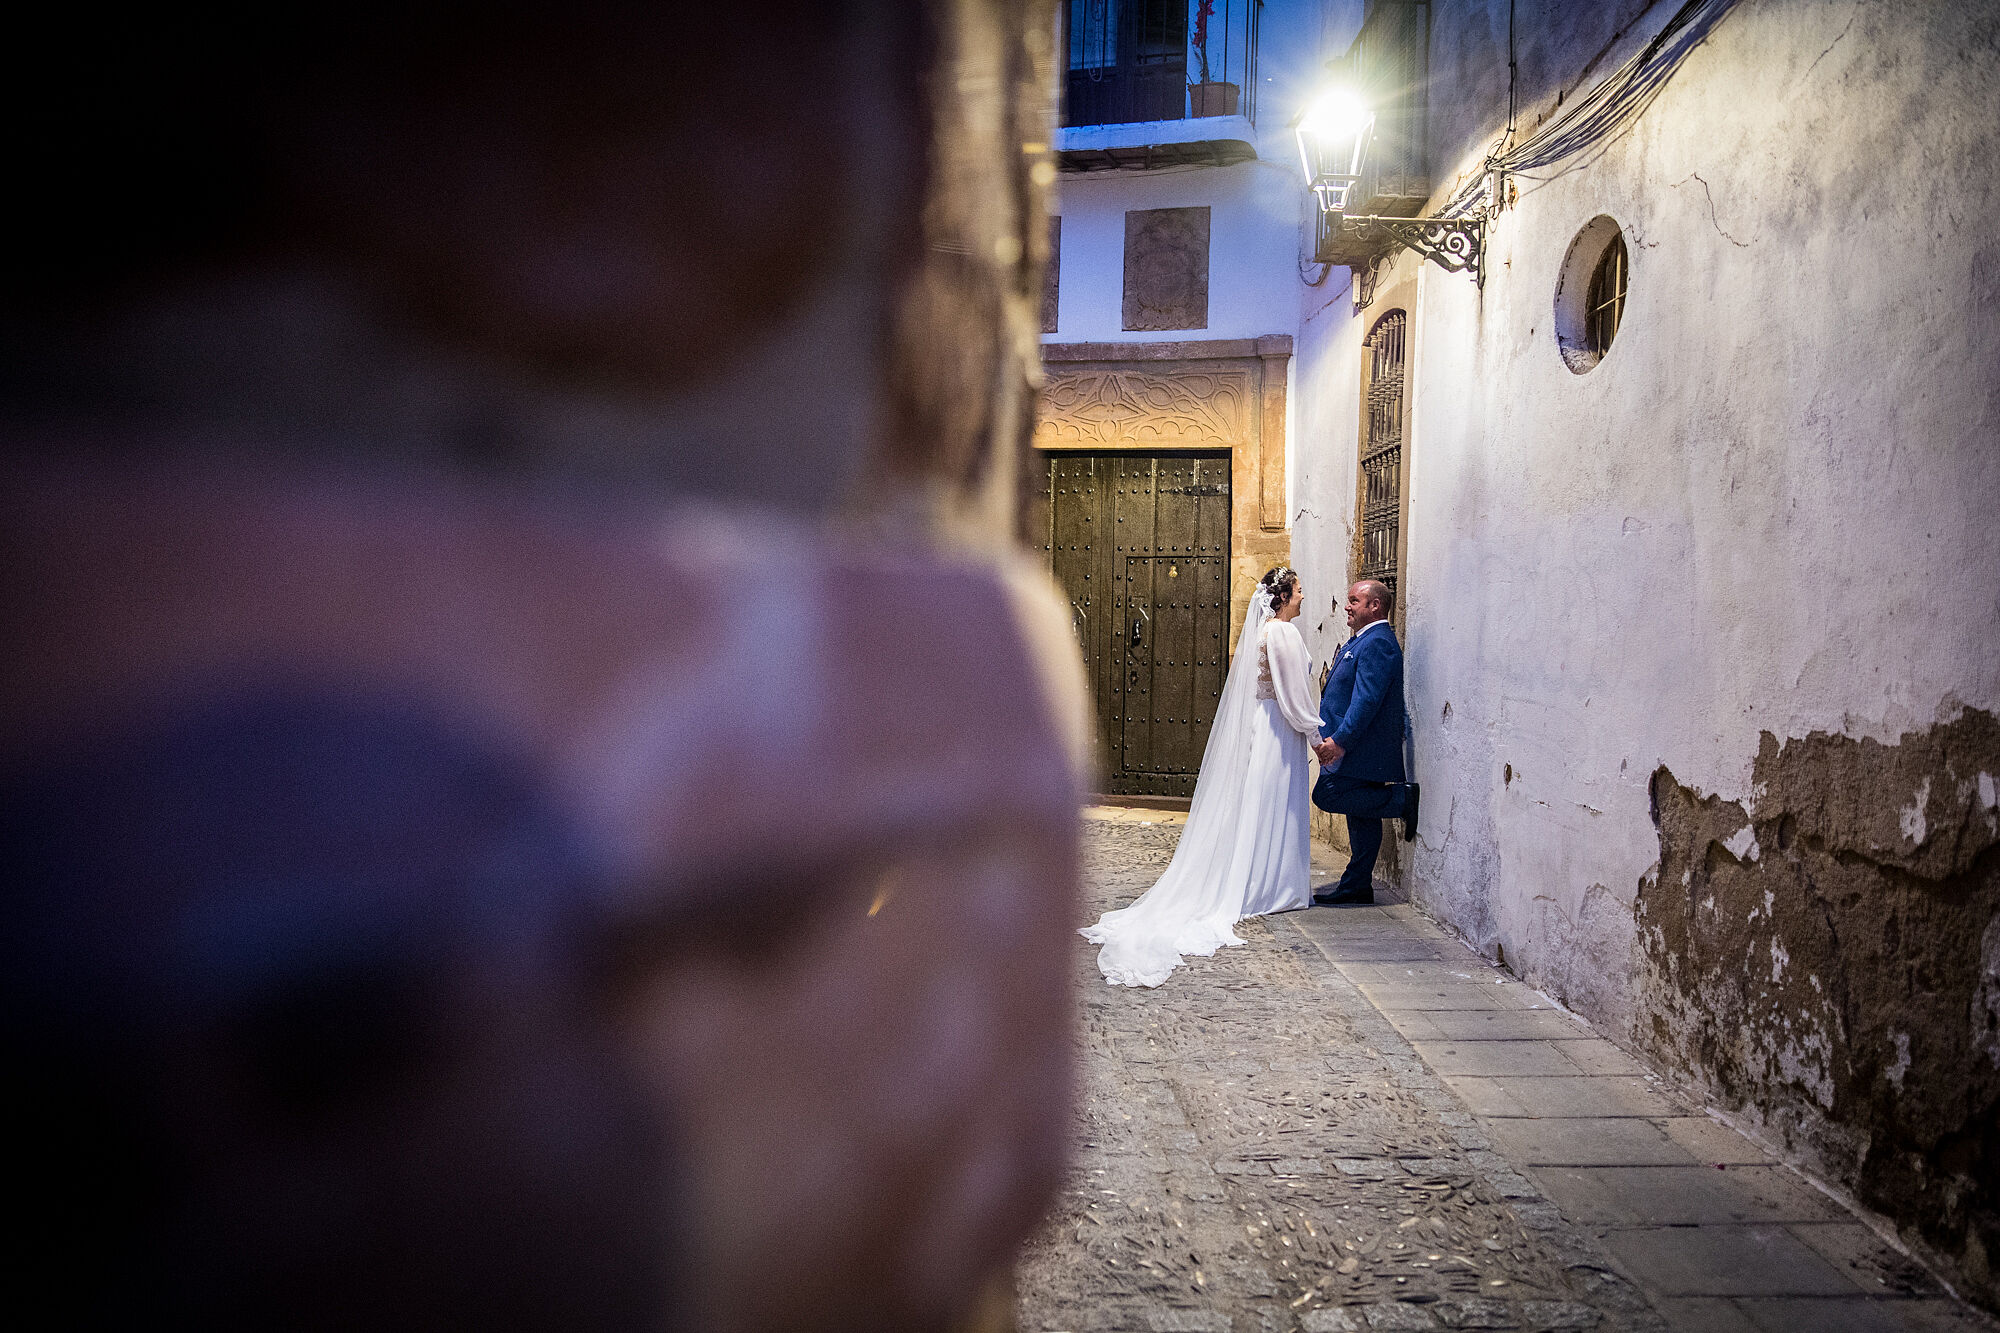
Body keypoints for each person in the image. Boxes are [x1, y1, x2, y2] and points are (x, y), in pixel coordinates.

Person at [1081, 566, 1325, 987]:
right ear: (1283, 596)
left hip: (1263, 726)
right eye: (1300, 591)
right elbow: (1293, 694)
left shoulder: (1264, 632)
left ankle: (1262, 880)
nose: (1304, 597)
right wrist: (1315, 735)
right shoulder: (1283, 633)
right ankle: (1270, 886)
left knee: (1258, 804)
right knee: (1272, 804)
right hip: (1277, 730)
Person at [1311, 580, 1421, 905]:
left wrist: (1341, 742)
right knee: (1362, 815)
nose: (1347, 606)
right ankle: (1357, 885)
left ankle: (1401, 799)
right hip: (1354, 748)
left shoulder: (1378, 643)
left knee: (1328, 794)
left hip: (1361, 747)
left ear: (1374, 606)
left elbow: (1366, 700)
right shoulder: (1362, 641)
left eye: (1353, 601)